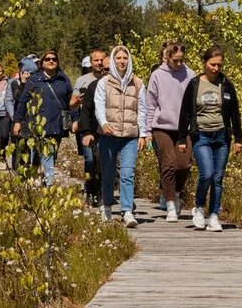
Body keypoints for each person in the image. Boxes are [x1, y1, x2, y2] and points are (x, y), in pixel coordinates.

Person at [178, 46, 242, 232]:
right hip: (201, 136)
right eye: (212, 64)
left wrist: (238, 138)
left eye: (219, 65)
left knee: (218, 177)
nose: (216, 68)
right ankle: (198, 207)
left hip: (222, 136)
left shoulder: (226, 84)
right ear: (204, 63)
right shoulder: (194, 84)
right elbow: (185, 113)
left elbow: (234, 113)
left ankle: (214, 215)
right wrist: (182, 138)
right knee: (206, 174)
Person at [94, 46, 147, 227]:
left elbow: (142, 110)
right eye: (118, 58)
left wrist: (143, 134)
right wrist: (103, 123)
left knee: (127, 173)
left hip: (130, 136)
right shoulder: (104, 82)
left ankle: (127, 211)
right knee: (108, 173)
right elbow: (99, 104)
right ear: (113, 60)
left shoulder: (138, 83)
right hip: (108, 134)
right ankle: (107, 206)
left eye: (125, 57)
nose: (122, 61)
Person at [145, 41, 195, 223]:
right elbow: (150, 104)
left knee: (183, 165)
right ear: (167, 57)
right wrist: (147, 130)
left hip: (184, 128)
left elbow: (194, 104)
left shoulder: (190, 75)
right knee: (168, 164)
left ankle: (176, 193)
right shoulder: (157, 75)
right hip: (161, 127)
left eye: (181, 60)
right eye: (175, 61)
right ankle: (170, 205)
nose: (178, 64)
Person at [13, 50, 73, 186]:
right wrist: (17, 121)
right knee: (46, 155)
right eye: (48, 59)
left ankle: (38, 180)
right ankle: (48, 185)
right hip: (39, 125)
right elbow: (23, 101)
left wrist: (74, 119)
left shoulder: (63, 79)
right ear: (42, 63)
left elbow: (71, 102)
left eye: (54, 59)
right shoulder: (35, 79)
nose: (51, 61)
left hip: (57, 124)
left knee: (50, 156)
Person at [71, 49, 108, 206]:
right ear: (90, 63)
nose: (99, 63)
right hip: (87, 126)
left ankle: (99, 192)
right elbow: (71, 104)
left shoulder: (110, 79)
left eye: (101, 60)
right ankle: (89, 188)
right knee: (90, 159)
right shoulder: (82, 80)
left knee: (103, 160)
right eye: (96, 60)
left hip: (105, 127)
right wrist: (79, 101)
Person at [5, 57, 38, 170]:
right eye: (27, 72)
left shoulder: (36, 83)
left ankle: (28, 171)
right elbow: (18, 97)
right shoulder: (15, 83)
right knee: (18, 148)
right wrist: (24, 83)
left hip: (31, 120)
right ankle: (16, 171)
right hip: (19, 119)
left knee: (29, 147)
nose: (29, 75)